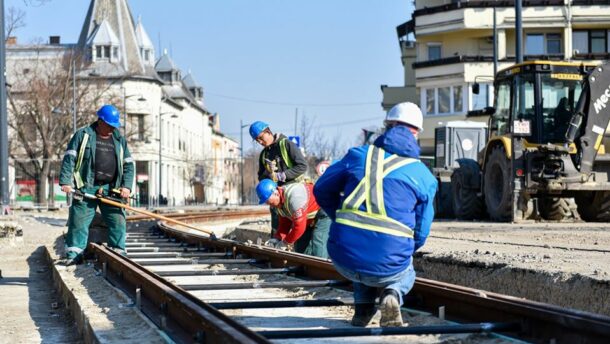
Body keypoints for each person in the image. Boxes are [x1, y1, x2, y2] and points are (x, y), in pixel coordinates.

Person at [313, 102, 437, 327]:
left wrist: (341, 219)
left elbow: (321, 189)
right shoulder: (423, 175)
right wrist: (404, 247)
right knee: (403, 264)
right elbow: (421, 231)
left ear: (387, 127)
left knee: (360, 244)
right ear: (416, 133)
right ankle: (393, 294)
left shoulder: (357, 155)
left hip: (342, 258)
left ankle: (362, 310)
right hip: (388, 264)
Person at [58, 104, 135, 265]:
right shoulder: (83, 135)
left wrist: (126, 187)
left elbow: (128, 165)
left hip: (112, 189)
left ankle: (118, 253)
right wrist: (65, 181)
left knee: (118, 220)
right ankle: (74, 253)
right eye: (109, 125)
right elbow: (69, 158)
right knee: (78, 220)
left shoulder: (120, 140)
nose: (112, 129)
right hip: (86, 187)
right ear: (100, 121)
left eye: (115, 126)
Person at [250, 121, 307, 233]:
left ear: (268, 131)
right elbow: (262, 178)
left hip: (294, 195)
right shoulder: (264, 155)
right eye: (257, 140)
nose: (260, 142)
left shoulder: (286, 144)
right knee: (278, 230)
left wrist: (283, 175)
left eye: (261, 137)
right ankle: (276, 246)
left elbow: (302, 166)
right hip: (276, 198)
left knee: (298, 228)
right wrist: (269, 179)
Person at [255, 179, 330, 259]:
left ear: (275, 193)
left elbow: (299, 227)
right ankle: (307, 268)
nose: (267, 203)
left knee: (318, 243)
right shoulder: (278, 203)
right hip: (308, 215)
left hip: (325, 206)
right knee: (300, 249)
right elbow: (285, 223)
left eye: (267, 200)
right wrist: (277, 238)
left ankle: (320, 268)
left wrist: (285, 242)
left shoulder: (294, 198)